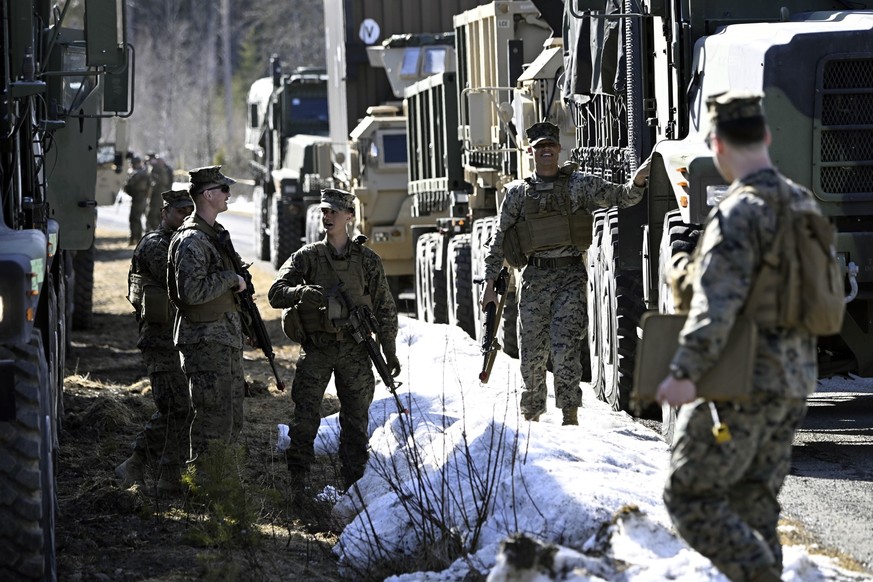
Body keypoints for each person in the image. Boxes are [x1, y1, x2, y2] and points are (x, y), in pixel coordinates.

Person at [655, 91, 818, 582]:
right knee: (754, 503)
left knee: (686, 495)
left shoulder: (737, 213)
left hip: (743, 381)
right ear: (766, 136)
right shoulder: (803, 203)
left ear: (716, 145)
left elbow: (715, 308)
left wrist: (684, 374)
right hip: (794, 380)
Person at [479, 121, 650, 425]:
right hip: (535, 279)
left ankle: (569, 417)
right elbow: (500, 237)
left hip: (570, 277)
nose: (546, 151)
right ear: (531, 151)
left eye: (551, 146)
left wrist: (637, 182)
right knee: (531, 352)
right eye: (540, 147)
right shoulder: (518, 193)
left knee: (565, 348)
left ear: (559, 149)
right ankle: (530, 416)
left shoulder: (579, 185)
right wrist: (490, 282)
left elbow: (621, 197)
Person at [267, 188, 399, 492]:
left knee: (355, 422)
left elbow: (385, 308)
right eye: (324, 211)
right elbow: (275, 293)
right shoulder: (308, 257)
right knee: (305, 419)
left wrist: (389, 350)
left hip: (355, 351)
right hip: (318, 349)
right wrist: (299, 293)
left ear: (349, 217)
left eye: (333, 212)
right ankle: (298, 484)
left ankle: (353, 487)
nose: (327, 217)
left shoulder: (367, 261)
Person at [116, 189, 195, 493]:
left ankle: (166, 475)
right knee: (176, 407)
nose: (185, 216)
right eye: (179, 212)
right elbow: (183, 281)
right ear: (165, 213)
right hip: (160, 342)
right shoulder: (155, 245)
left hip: (180, 340)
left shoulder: (185, 242)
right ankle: (137, 463)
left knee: (183, 408)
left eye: (190, 210)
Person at [167, 166, 247, 464]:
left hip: (222, 339)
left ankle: (221, 486)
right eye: (224, 190)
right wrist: (229, 279)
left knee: (230, 417)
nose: (229, 194)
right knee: (212, 422)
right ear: (208, 194)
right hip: (204, 341)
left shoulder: (214, 235)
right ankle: (203, 489)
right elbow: (191, 292)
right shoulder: (193, 240)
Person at [123, 156, 151, 244]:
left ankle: (135, 238)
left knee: (134, 218)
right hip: (140, 198)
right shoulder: (143, 173)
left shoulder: (138, 173)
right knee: (137, 218)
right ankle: (136, 238)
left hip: (138, 198)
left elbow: (128, 185)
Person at [146, 153, 175, 231]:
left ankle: (158, 230)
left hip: (161, 193)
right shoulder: (161, 168)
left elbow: (167, 181)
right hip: (160, 193)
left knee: (156, 213)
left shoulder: (164, 169)